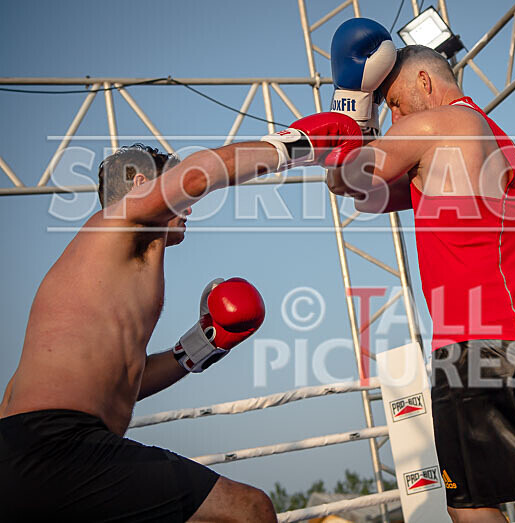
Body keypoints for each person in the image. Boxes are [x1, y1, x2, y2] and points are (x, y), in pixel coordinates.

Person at [0, 113, 362, 522]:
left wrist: (203, 343)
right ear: (142, 187)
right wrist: (298, 146)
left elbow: (125, 383)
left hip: (39, 450)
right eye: (169, 186)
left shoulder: (120, 271)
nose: (189, 205)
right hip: (54, 442)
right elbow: (199, 175)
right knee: (249, 510)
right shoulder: (117, 222)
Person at [326, 23, 515, 523]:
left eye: (396, 102)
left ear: (425, 83)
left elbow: (347, 177)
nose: (393, 116)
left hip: (480, 343)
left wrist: (349, 115)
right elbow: (371, 197)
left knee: (469, 504)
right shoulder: (488, 137)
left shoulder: (437, 125)